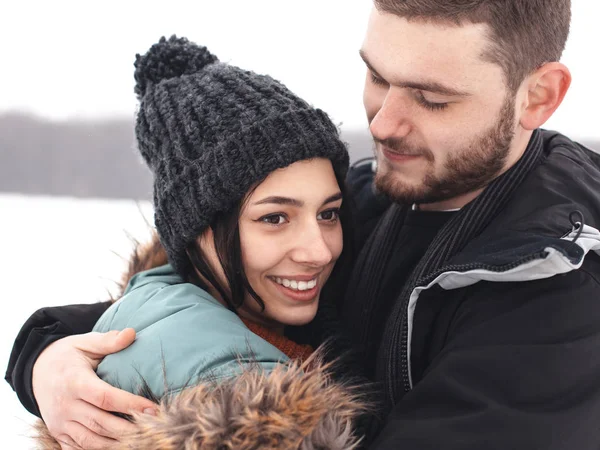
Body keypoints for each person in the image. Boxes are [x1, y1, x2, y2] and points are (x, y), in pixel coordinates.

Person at [7, 1, 600, 448]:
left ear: (538, 96)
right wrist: (47, 357)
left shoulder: (556, 288)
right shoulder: (378, 199)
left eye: (431, 98)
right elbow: (194, 304)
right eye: (377, 77)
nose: (385, 123)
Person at [17, 36, 371, 450]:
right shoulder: (227, 391)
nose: (319, 250)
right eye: (274, 218)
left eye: (327, 213)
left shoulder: (255, 323)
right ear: (195, 232)